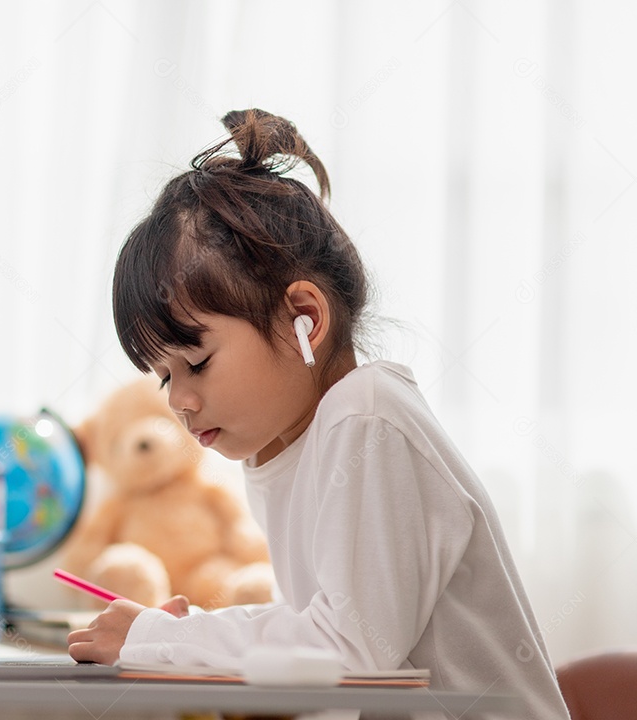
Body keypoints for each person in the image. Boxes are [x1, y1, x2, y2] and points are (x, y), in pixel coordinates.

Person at [66, 109, 569, 719]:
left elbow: (352, 652)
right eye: (165, 376)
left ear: (305, 315)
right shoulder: (287, 448)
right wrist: (185, 636)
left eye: (196, 363)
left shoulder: (365, 418)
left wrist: (162, 640)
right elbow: (330, 628)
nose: (177, 400)